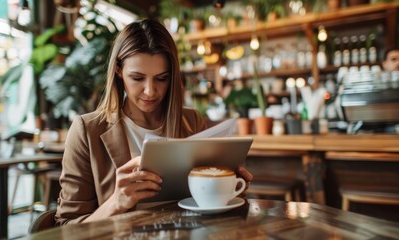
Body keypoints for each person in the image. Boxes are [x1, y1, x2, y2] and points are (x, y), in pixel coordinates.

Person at [55, 19, 253, 225]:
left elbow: (204, 207)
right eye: (138, 78)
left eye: (161, 78)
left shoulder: (191, 122)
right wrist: (116, 203)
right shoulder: (87, 131)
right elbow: (66, 229)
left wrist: (227, 191)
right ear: (118, 70)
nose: (150, 91)